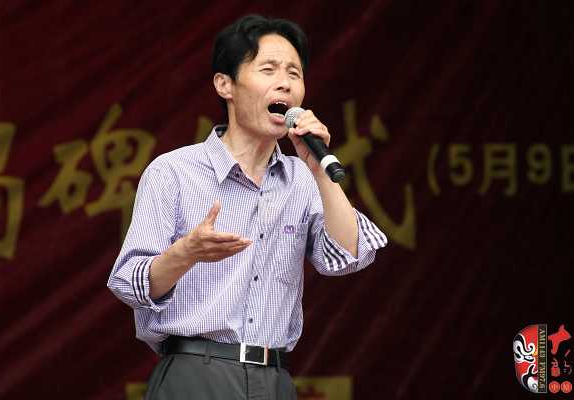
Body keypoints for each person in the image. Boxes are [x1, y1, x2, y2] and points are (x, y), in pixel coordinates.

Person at [108, 14, 387, 400]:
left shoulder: (301, 179)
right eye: (268, 69)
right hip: (195, 372)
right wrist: (186, 253)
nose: (285, 82)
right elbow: (128, 282)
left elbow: (349, 256)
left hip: (274, 377)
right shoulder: (173, 172)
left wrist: (319, 171)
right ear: (225, 84)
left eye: (294, 72)